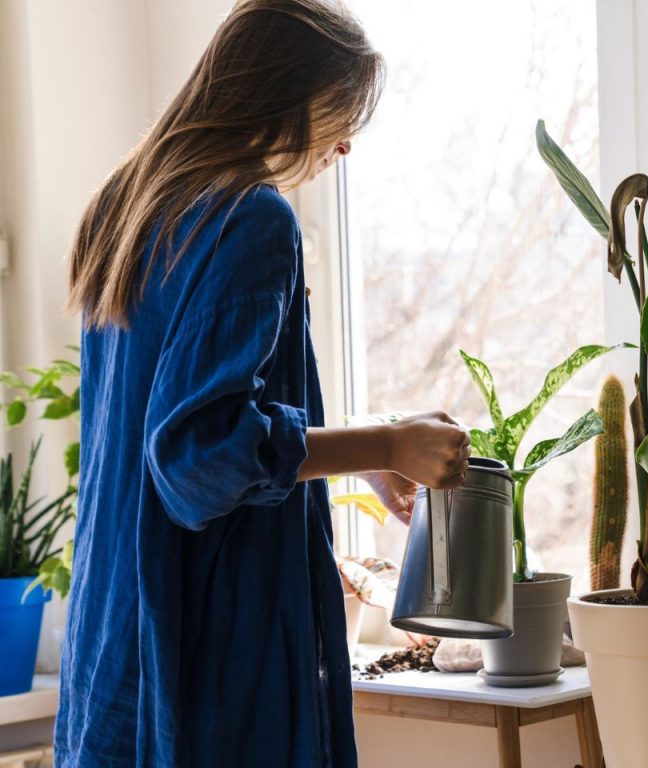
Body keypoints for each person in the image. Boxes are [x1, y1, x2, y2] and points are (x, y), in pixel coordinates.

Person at [58, 1, 468, 765]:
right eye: (340, 113)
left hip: (114, 650)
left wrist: (365, 448)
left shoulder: (123, 208)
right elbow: (196, 460)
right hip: (207, 665)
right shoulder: (250, 218)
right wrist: (388, 440)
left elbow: (184, 421)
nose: (344, 145)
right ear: (288, 91)